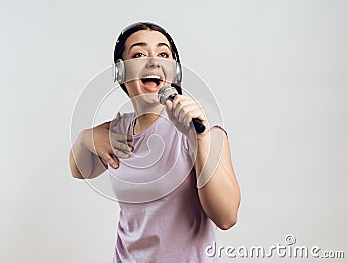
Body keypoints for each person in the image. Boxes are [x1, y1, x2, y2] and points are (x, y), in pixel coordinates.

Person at [69, 22, 240, 262]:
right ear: (121, 71)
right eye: (139, 54)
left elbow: (227, 217)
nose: (153, 61)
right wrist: (85, 138)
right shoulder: (119, 130)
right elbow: (80, 170)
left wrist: (199, 139)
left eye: (163, 54)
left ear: (174, 71)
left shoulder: (199, 119)